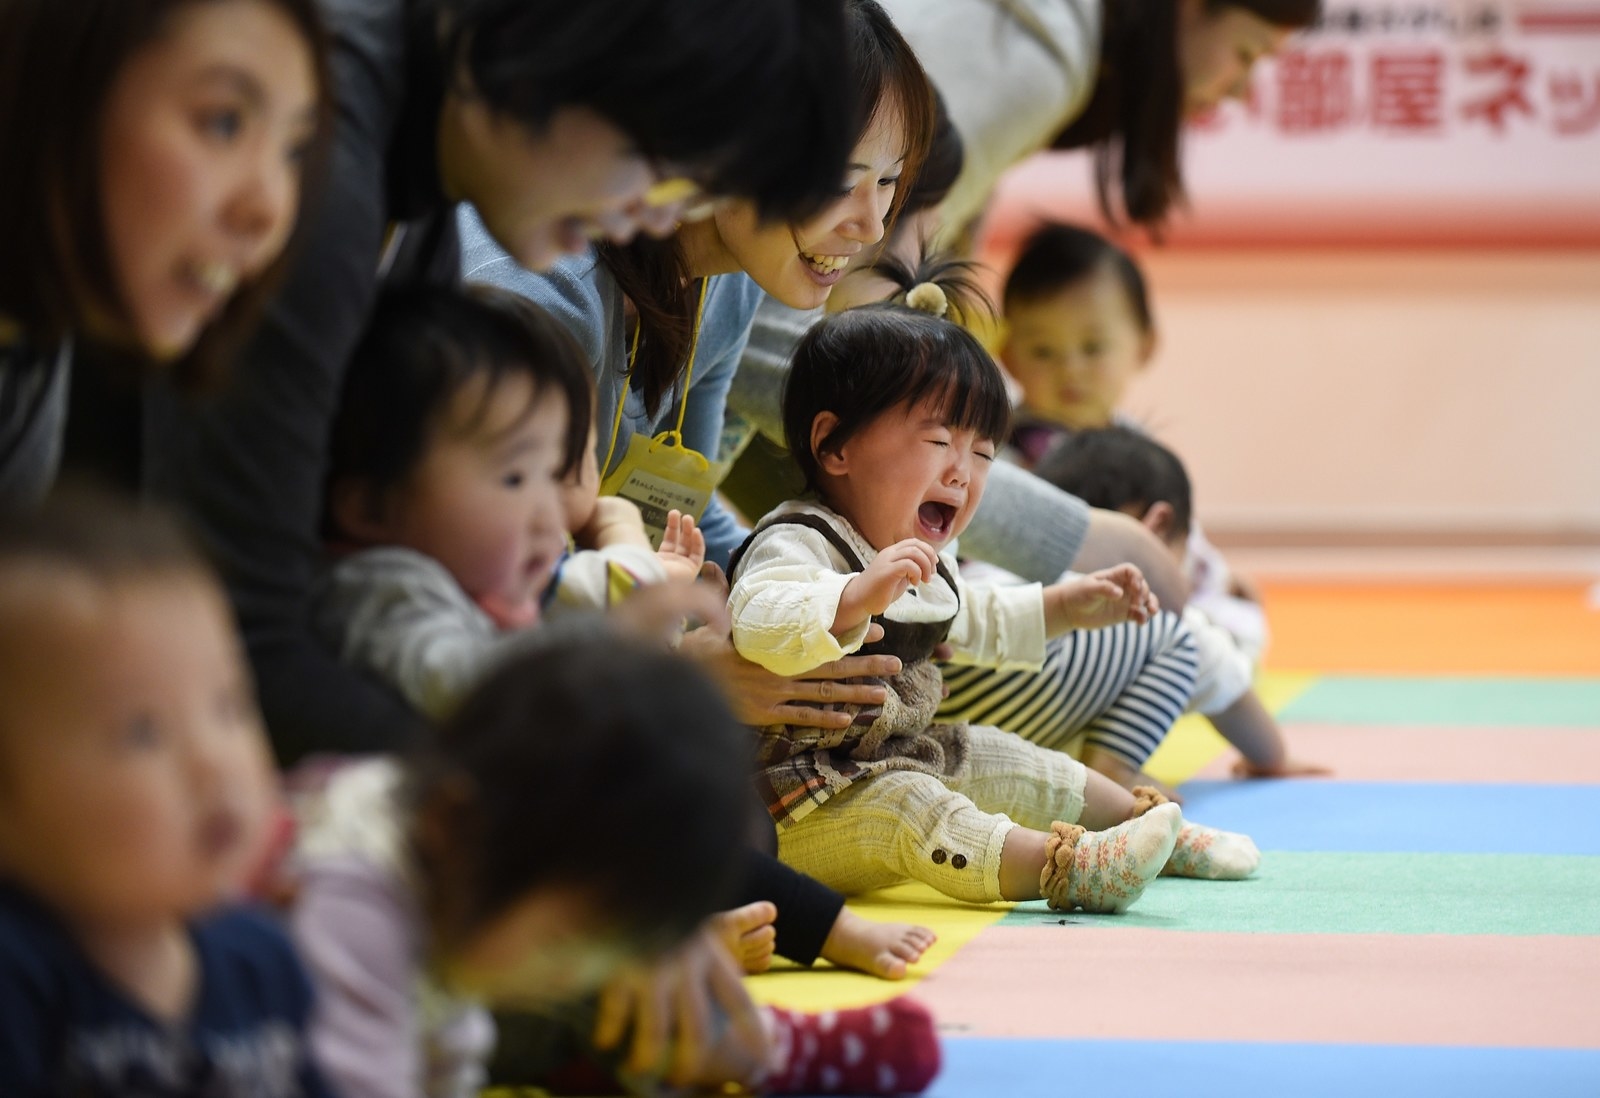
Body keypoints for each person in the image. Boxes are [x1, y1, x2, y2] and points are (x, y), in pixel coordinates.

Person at [138, 0, 867, 765]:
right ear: (570, 56)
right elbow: (245, 635)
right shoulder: (327, 181)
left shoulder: (408, 171)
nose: (652, 220)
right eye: (662, 168)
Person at [316, 281, 935, 981]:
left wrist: (639, 575)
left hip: (521, 841)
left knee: (725, 818)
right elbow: (465, 682)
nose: (550, 516)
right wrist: (619, 592)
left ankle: (698, 936)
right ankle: (714, 945)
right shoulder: (391, 586)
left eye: (563, 474)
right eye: (514, 477)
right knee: (634, 809)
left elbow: (590, 598)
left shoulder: (501, 571)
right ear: (372, 506)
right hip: (440, 867)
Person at [461, 0, 944, 737]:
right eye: (841, 178)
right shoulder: (539, 294)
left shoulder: (731, 278)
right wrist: (689, 668)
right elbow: (480, 591)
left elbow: (682, 500)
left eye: (890, 181)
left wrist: (815, 604)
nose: (871, 225)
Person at [727, 287, 1261, 914]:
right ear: (835, 445)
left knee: (1006, 758)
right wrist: (850, 597)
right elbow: (758, 616)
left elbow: (975, 616)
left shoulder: (919, 548)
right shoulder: (799, 540)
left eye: (982, 452)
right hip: (797, 803)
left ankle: (1151, 826)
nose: (963, 472)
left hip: (899, 755)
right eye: (937, 442)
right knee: (914, 814)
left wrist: (1064, 608)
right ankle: (1069, 870)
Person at [289, 627, 943, 1098]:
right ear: (453, 826)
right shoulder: (356, 892)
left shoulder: (464, 874)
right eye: (565, 940)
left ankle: (699, 1049)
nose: (571, 973)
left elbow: (448, 1045)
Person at [0, 491, 331, 1096]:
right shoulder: (19, 981)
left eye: (230, 706)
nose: (216, 761)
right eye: (143, 732)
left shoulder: (262, 962)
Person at [0, 0, 328, 506]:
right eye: (223, 124)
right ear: (64, 80)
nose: (272, 209)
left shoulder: (29, 335)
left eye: (293, 151)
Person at [1000, 220, 1269, 658]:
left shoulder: (1138, 447)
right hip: (1053, 613)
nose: (1070, 368)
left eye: (1093, 348)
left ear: (1144, 345)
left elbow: (1179, 532)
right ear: (1008, 355)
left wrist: (1217, 579)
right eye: (1043, 351)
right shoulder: (1001, 447)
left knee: (1240, 627)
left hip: (1142, 601)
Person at [877, 0, 1322, 234]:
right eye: (1247, 54)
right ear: (1191, 5)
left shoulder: (1064, 39)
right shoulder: (1044, 61)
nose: (1242, 92)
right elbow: (870, 243)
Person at [1037, 427, 1330, 779]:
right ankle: (1113, 772)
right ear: (1159, 525)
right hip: (1042, 699)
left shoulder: (1011, 564)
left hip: (970, 702)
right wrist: (1271, 757)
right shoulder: (1132, 604)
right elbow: (1227, 683)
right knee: (1186, 637)